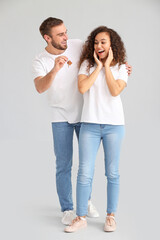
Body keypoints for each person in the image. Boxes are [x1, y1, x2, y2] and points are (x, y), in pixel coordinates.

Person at [32, 18, 132, 226]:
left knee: (89, 169)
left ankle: (86, 203)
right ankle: (68, 209)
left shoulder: (77, 45)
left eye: (66, 32)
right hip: (61, 116)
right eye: (60, 35)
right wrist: (55, 69)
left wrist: (120, 67)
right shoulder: (40, 60)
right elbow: (40, 87)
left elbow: (104, 52)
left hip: (86, 115)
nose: (66, 37)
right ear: (47, 38)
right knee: (64, 164)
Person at [65, 26, 130, 233]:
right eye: (96, 42)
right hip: (90, 125)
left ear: (112, 45)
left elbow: (114, 91)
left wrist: (109, 66)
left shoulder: (121, 67)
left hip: (114, 126)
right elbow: (83, 88)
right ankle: (80, 217)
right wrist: (99, 68)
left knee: (112, 173)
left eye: (103, 42)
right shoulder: (86, 64)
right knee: (84, 172)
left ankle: (110, 216)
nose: (99, 45)